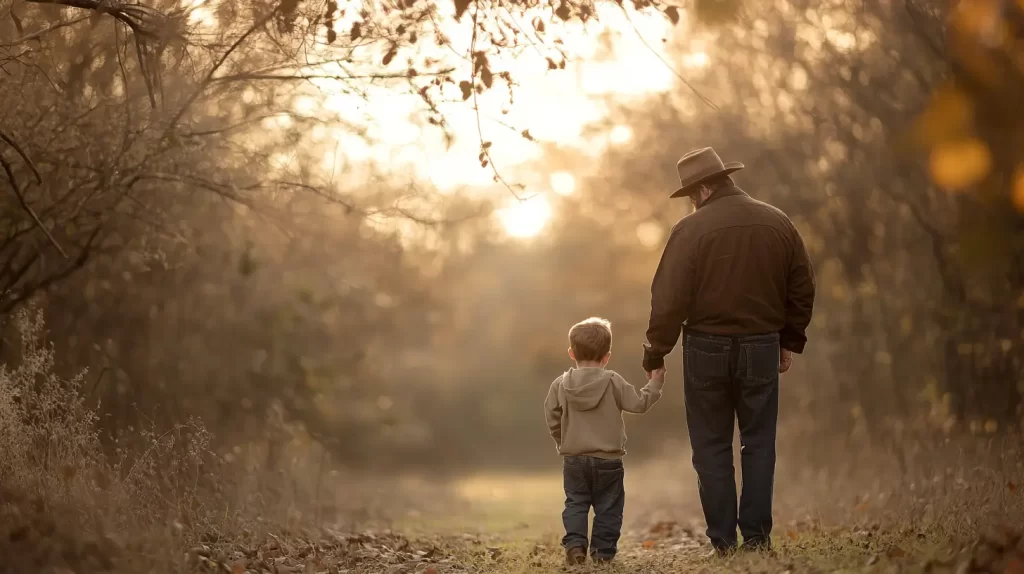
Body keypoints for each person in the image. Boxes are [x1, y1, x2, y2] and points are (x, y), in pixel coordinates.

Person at [642, 147, 816, 555]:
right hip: (761, 345)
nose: (690, 204)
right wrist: (788, 339)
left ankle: (723, 542)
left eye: (690, 195)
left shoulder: (689, 231)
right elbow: (802, 286)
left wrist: (656, 352)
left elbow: (668, 298)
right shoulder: (778, 221)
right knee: (758, 443)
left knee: (711, 446)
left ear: (702, 190)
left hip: (706, 349)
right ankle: (756, 540)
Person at [544, 317, 666, 566]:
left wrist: (562, 440)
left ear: (571, 353)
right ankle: (603, 553)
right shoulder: (612, 381)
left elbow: (551, 417)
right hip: (608, 461)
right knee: (609, 507)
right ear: (607, 356)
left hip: (574, 459)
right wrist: (655, 383)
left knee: (576, 502)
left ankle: (576, 545)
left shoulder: (560, 385)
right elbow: (639, 403)